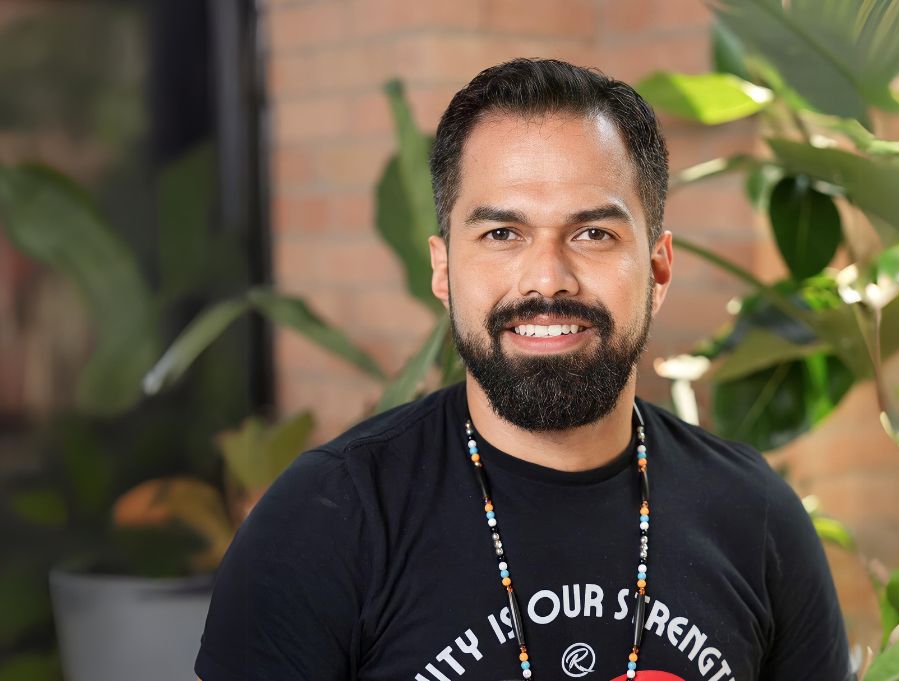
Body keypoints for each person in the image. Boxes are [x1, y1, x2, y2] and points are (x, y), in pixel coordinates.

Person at [195, 58, 852, 681]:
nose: (547, 279)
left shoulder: (757, 517)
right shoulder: (326, 520)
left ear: (657, 269)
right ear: (443, 267)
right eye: (502, 234)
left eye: (593, 233)